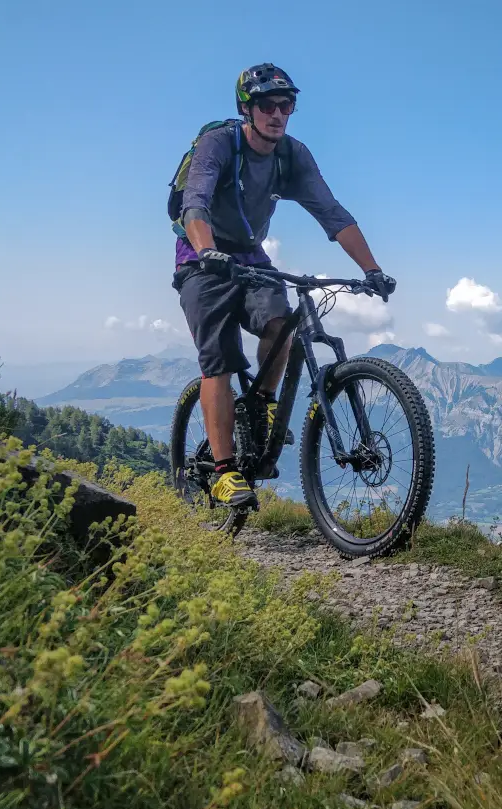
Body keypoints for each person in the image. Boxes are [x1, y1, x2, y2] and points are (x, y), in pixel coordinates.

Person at [173, 62, 395, 508]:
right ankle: (223, 472)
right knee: (219, 359)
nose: (278, 113)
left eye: (286, 105)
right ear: (246, 108)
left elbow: (332, 212)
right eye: (267, 105)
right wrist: (207, 251)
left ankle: (261, 405)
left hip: (251, 256)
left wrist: (373, 270)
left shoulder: (291, 155)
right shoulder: (219, 144)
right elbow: (194, 204)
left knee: (282, 325)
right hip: (202, 256)